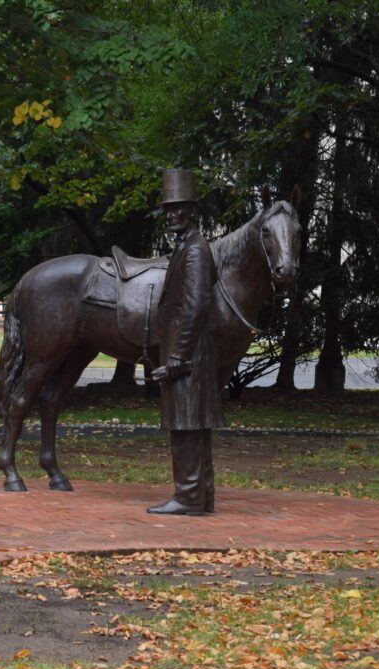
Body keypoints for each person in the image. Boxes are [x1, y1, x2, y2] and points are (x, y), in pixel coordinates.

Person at [148, 169, 224, 516]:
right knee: (191, 425)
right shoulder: (189, 247)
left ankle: (188, 497)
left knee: (186, 425)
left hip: (188, 355)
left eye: (178, 209)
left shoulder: (195, 251)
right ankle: (200, 494)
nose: (171, 216)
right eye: (167, 210)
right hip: (189, 352)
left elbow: (196, 307)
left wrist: (177, 357)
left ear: (193, 211)